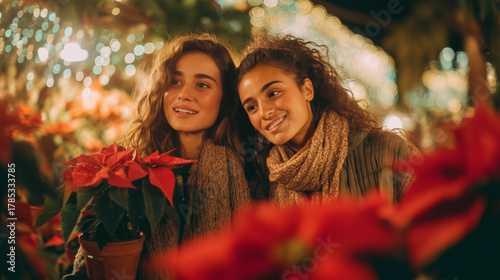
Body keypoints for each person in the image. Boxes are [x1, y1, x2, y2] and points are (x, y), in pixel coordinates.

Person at [65, 34, 251, 279]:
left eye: (202, 84)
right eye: (175, 81)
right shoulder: (130, 168)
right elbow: (91, 261)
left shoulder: (247, 171)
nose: (183, 94)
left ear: (225, 98)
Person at [236, 34, 415, 207]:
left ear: (307, 90)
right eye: (252, 107)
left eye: (273, 93)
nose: (264, 112)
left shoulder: (386, 151)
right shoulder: (262, 182)